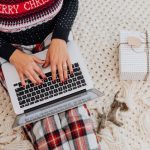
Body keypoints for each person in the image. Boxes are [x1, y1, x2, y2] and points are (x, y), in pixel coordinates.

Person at [0, 0, 100, 149]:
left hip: (53, 35)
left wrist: (60, 37)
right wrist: (12, 55)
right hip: (11, 49)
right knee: (40, 118)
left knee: (72, 105)